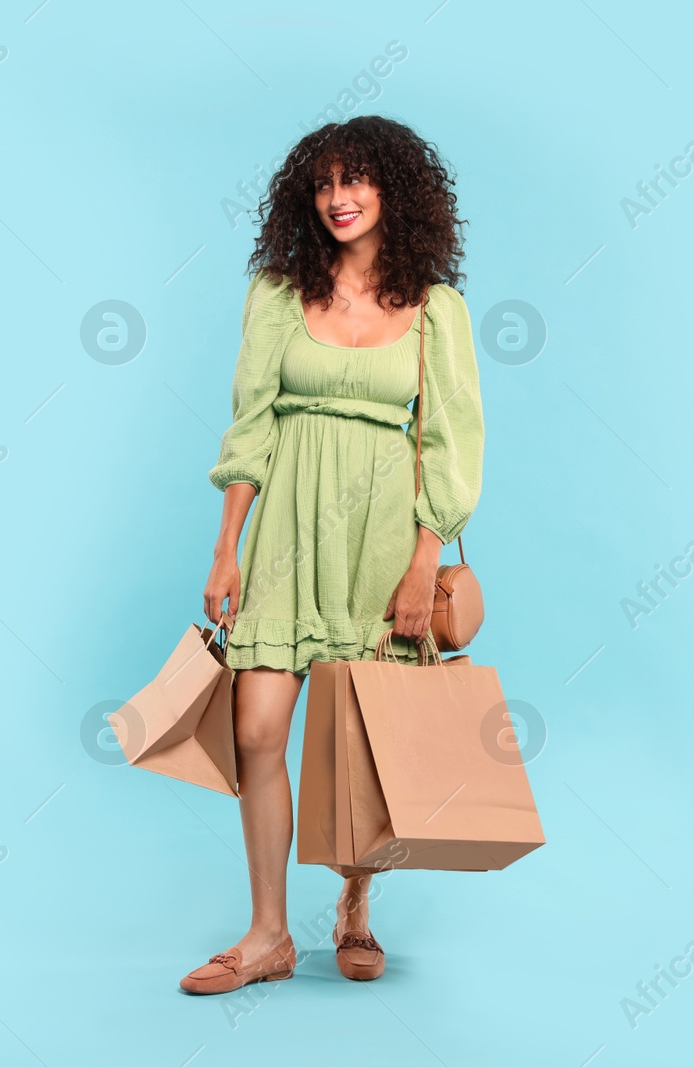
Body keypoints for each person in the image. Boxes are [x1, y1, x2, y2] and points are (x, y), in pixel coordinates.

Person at [181, 115, 484, 995]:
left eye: (356, 180)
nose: (339, 198)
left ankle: (354, 908)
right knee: (257, 728)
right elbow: (251, 425)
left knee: (365, 739)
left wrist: (424, 558)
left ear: (395, 191)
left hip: (383, 540)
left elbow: (451, 440)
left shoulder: (435, 309)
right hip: (286, 533)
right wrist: (227, 547)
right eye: (323, 184)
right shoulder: (279, 294)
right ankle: (269, 932)